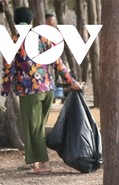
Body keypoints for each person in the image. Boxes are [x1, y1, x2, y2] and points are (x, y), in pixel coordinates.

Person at [1, 7, 82, 174]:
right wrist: (71, 81)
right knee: (38, 128)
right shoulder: (43, 39)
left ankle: (45, 164)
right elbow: (58, 63)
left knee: (34, 129)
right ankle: (35, 162)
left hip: (30, 93)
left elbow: (7, 72)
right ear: (31, 22)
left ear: (16, 22)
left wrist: (3, 94)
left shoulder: (13, 42)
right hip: (47, 90)